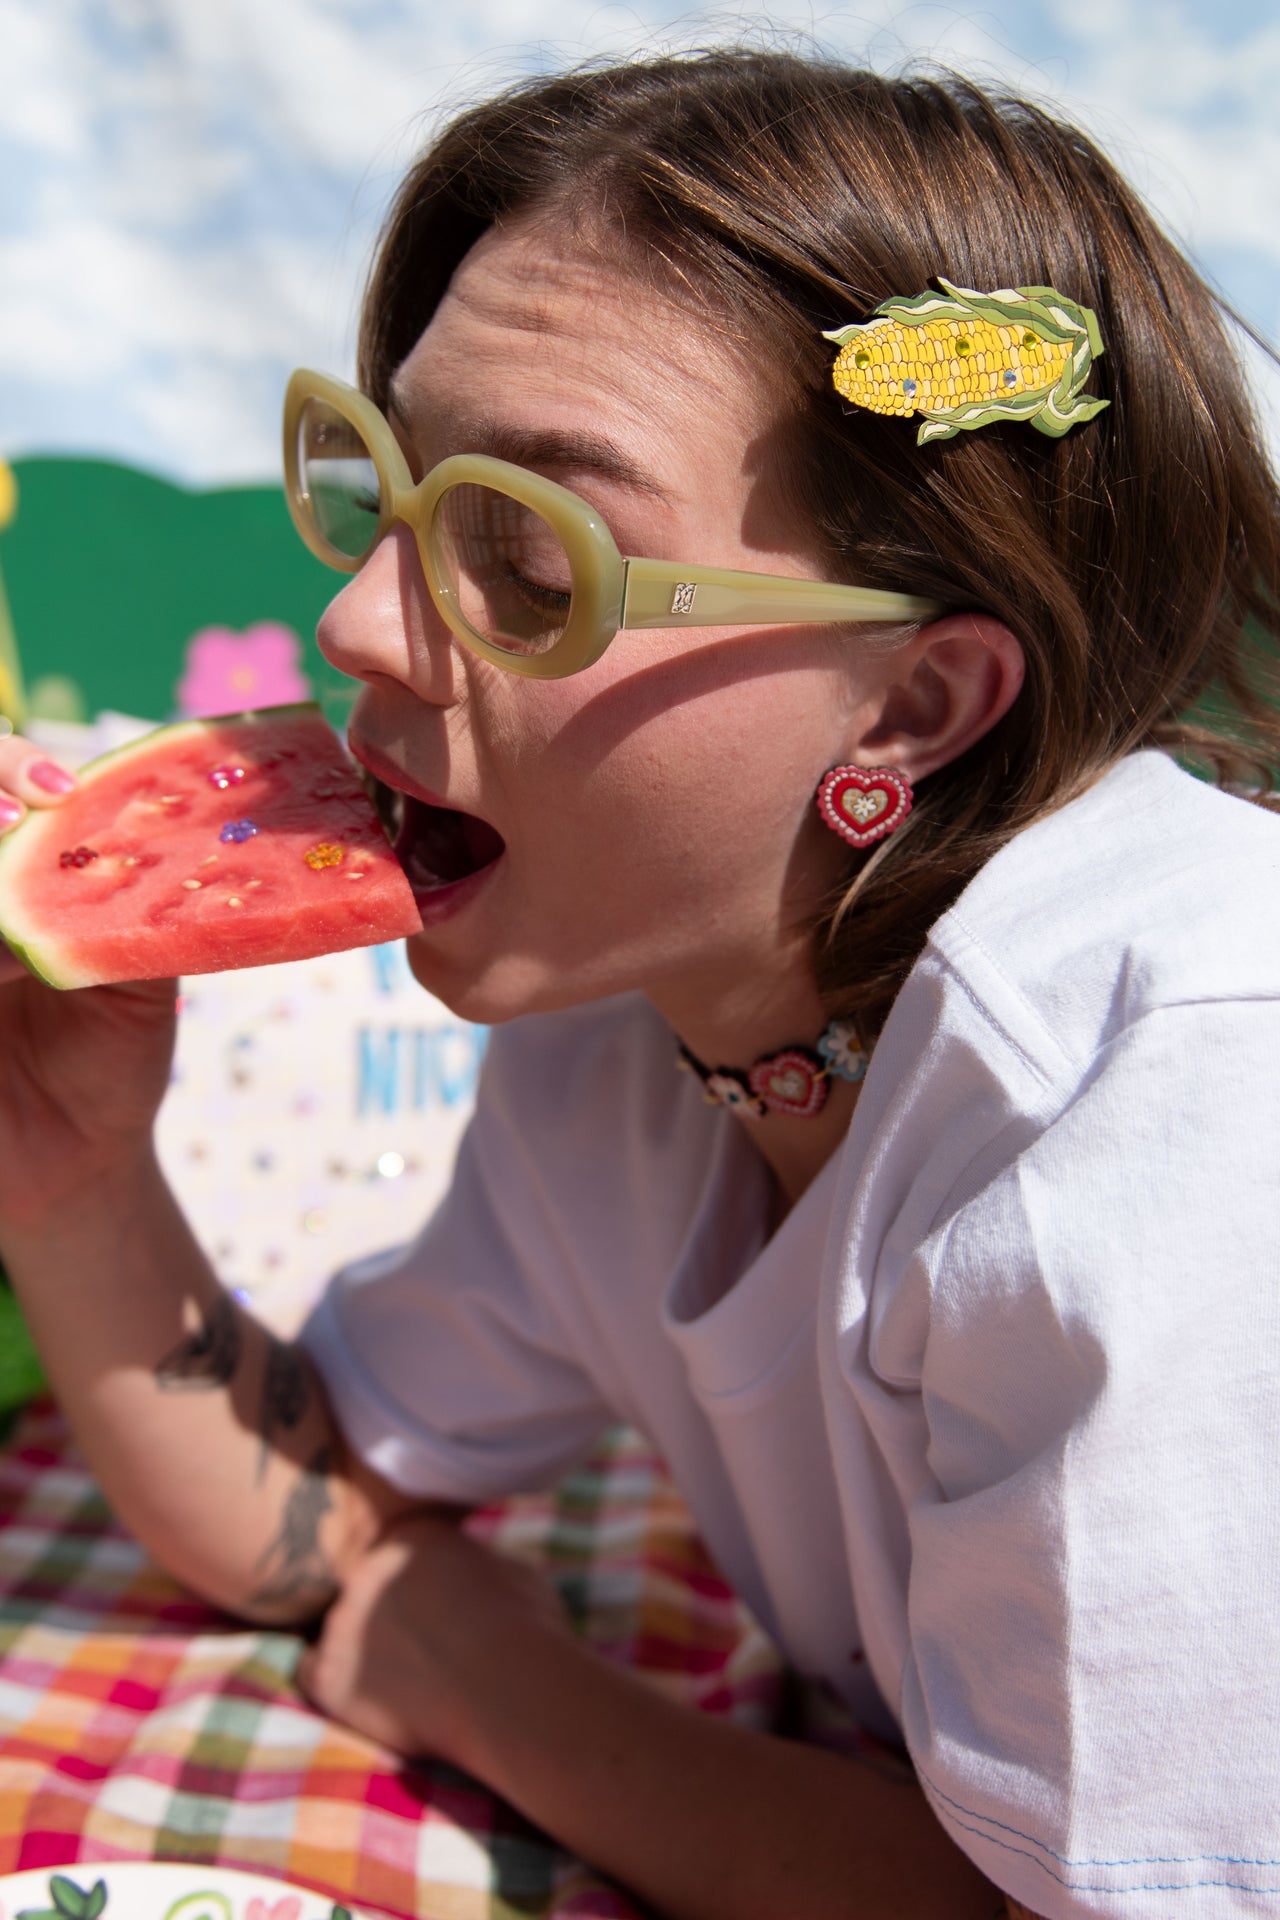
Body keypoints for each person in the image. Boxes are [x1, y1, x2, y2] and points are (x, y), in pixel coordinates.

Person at [1, 46, 1278, 1920]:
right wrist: (75, 1169)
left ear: (912, 703)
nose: (357, 622)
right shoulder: (643, 1029)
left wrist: (494, 1686)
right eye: (393, 486)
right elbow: (323, 1513)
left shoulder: (1169, 1099)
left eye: (528, 551)